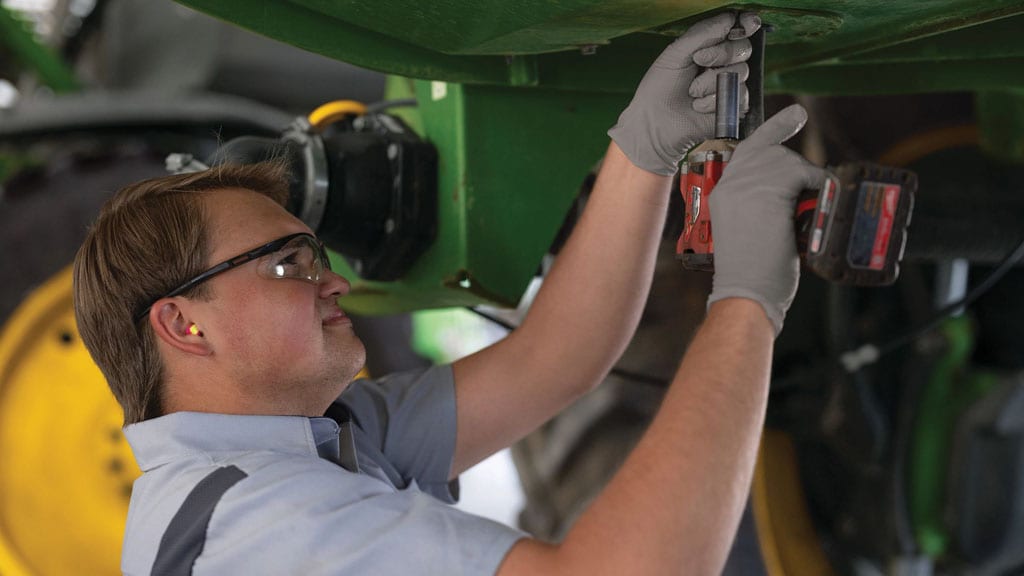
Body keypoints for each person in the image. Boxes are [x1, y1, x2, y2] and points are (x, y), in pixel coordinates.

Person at [73, 11, 824, 575]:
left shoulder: (320, 441)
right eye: (287, 264)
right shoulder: (259, 525)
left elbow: (553, 359)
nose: (332, 279)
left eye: (316, 255)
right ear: (183, 324)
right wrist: (749, 301)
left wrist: (642, 150)